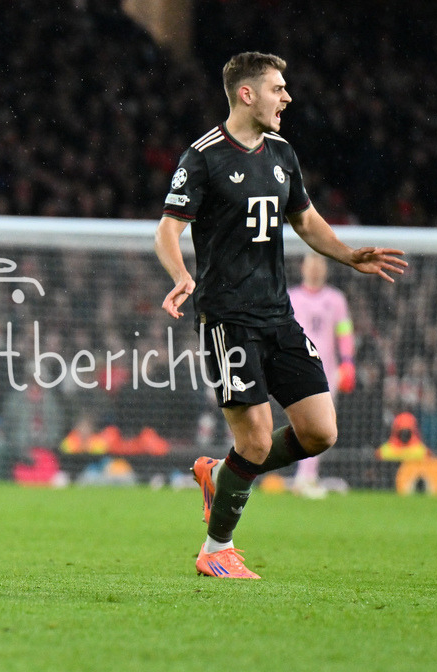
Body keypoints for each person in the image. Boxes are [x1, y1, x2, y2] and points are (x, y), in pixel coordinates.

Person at [154, 52, 407, 579]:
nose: (286, 97)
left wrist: (348, 254)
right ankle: (215, 549)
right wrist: (182, 275)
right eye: (277, 88)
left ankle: (220, 475)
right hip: (229, 319)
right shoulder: (201, 158)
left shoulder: (283, 153)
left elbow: (306, 220)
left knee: (320, 432)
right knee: (257, 441)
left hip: (278, 315)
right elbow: (167, 230)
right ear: (247, 94)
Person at [288, 253, 355, 497]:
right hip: (299, 368)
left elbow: (345, 331)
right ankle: (304, 477)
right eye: (311, 262)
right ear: (302, 266)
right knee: (304, 423)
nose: (315, 267)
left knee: (323, 426)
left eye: (320, 262)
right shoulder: (291, 297)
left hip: (328, 371)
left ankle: (306, 477)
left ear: (325, 267)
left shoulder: (336, 299)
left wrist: (347, 362)